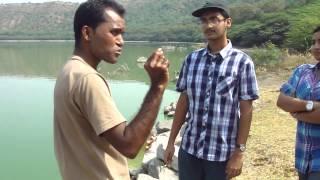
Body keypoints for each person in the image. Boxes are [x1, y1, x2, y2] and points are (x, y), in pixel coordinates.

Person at [53, 0, 170, 179]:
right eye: (114, 32)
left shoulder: (69, 70)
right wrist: (158, 86)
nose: (121, 42)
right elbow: (129, 145)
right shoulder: (88, 79)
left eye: (122, 34)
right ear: (87, 33)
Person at [163, 2, 259, 180]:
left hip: (221, 154)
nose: (208, 25)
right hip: (190, 150)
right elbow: (183, 103)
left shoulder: (242, 62)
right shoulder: (191, 60)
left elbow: (246, 111)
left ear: (228, 22)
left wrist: (239, 153)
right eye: (204, 21)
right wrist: (170, 143)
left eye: (214, 19)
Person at [277, 26, 320, 180]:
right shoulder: (302, 71)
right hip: (303, 156)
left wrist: (296, 112)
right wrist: (312, 105)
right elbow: (282, 101)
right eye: (314, 41)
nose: (315, 46)